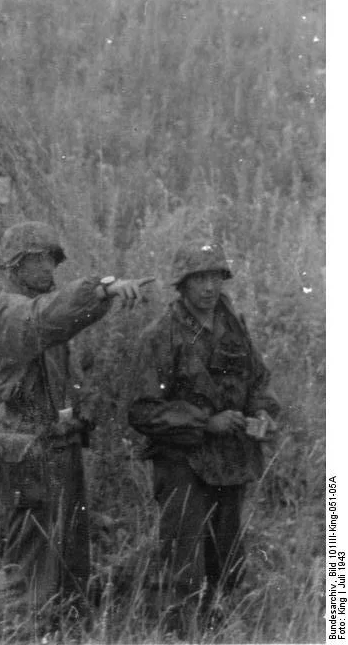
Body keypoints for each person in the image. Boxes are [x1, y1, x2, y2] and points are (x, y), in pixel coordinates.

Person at [0, 220, 153, 640]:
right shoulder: (9, 310)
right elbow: (43, 319)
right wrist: (100, 289)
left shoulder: (43, 308)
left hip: (57, 448)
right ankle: (21, 635)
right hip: (28, 449)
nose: (49, 269)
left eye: (52, 260)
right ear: (15, 264)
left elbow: (57, 319)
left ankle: (63, 632)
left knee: (68, 557)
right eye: (39, 260)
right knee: (30, 558)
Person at [128, 240, 280, 635]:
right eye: (199, 278)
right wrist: (203, 422)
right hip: (183, 463)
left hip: (229, 462)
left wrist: (262, 413)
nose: (209, 287)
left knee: (226, 558)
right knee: (184, 562)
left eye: (215, 276)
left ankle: (218, 629)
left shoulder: (234, 325)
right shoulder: (161, 334)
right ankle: (179, 634)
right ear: (182, 284)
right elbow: (142, 410)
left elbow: (259, 380)